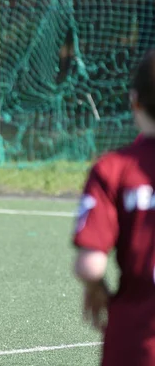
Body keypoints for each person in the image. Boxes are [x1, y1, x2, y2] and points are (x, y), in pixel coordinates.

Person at [73, 49, 155, 366]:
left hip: (136, 340)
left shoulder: (113, 169)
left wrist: (95, 288)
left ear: (134, 99)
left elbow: (90, 265)